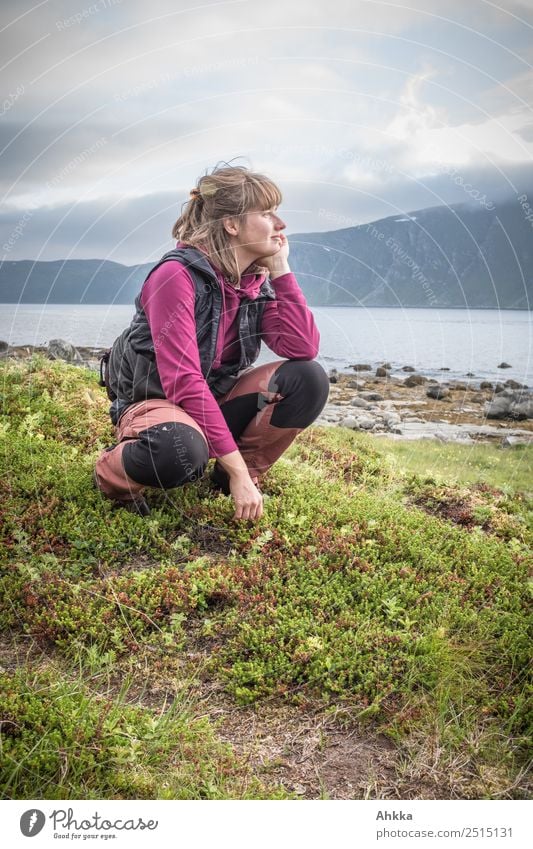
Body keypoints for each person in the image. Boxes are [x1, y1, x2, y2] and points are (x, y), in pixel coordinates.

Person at [94, 163, 329, 521]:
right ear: (232, 224)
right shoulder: (175, 276)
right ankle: (112, 475)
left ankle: (236, 477)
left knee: (308, 378)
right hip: (156, 399)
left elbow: (302, 348)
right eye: (267, 213)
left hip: (214, 398)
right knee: (179, 453)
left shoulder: (254, 282)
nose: (280, 225)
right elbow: (182, 381)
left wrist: (280, 270)